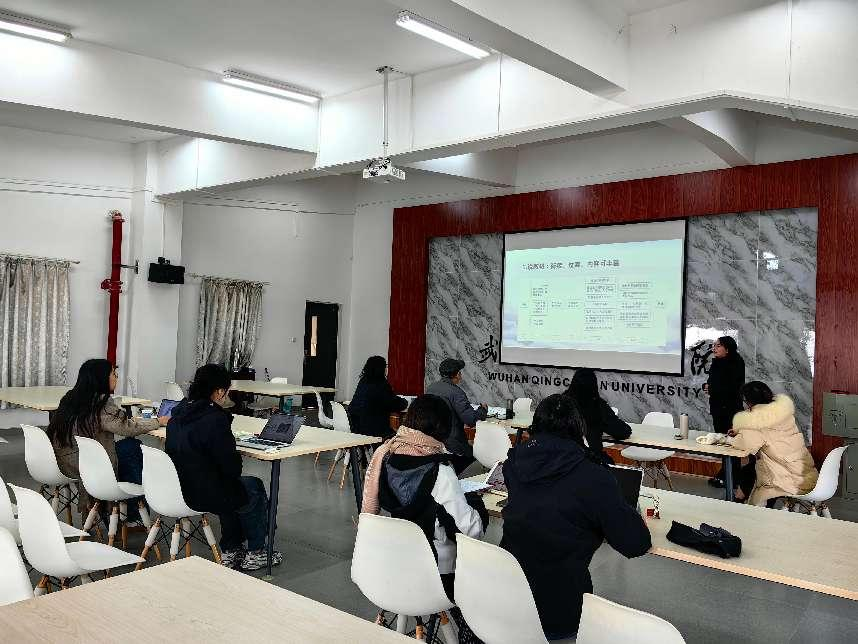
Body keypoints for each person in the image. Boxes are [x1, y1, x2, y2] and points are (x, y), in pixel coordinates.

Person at [501, 394, 651, 640]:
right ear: (579, 428)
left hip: (505, 598)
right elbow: (636, 544)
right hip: (560, 612)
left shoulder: (513, 463)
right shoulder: (593, 476)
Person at [362, 394, 486, 598]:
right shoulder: (440, 470)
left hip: (391, 564)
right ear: (443, 429)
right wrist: (477, 504)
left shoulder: (384, 456)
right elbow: (471, 530)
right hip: (436, 573)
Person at [166, 363, 282, 570]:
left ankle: (231, 550)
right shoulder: (215, 419)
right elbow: (232, 468)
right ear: (220, 392)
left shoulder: (177, 415)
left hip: (178, 487)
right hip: (203, 494)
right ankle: (257, 551)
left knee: (230, 485)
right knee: (250, 486)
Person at [48, 359, 166, 516]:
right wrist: (158, 421)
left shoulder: (70, 398)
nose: (116, 377)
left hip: (63, 462)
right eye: (113, 373)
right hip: (86, 465)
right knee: (131, 447)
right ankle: (132, 510)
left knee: (125, 452)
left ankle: (120, 510)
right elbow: (128, 428)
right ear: (101, 378)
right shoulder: (101, 403)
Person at [727, 381, 818, 506]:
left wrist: (730, 439)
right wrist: (741, 430)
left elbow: (745, 444)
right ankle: (740, 499)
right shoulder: (782, 413)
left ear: (748, 402)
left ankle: (740, 504)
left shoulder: (757, 419)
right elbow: (770, 435)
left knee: (751, 472)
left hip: (787, 478)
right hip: (804, 473)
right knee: (750, 470)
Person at [425, 358, 487, 474]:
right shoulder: (457, 393)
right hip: (452, 445)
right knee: (478, 459)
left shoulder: (431, 388)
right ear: (458, 374)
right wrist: (482, 410)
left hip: (432, 441)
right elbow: (470, 420)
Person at [564, 368, 631, 464]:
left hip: (562, 460)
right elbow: (623, 431)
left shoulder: (561, 402)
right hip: (590, 461)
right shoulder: (598, 406)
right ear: (594, 386)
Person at [705, 336, 746, 487]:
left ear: (727, 349)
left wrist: (712, 388)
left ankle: (732, 478)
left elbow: (732, 388)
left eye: (718, 346)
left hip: (731, 410)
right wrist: (707, 386)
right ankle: (725, 474)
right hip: (717, 408)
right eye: (714, 345)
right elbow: (712, 382)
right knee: (722, 442)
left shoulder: (736, 363)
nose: (714, 348)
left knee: (731, 444)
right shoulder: (716, 362)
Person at [348, 356, 408, 440]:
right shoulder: (381, 384)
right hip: (375, 431)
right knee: (402, 437)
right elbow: (395, 404)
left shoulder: (363, 381)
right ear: (382, 369)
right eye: (386, 366)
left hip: (357, 429)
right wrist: (405, 401)